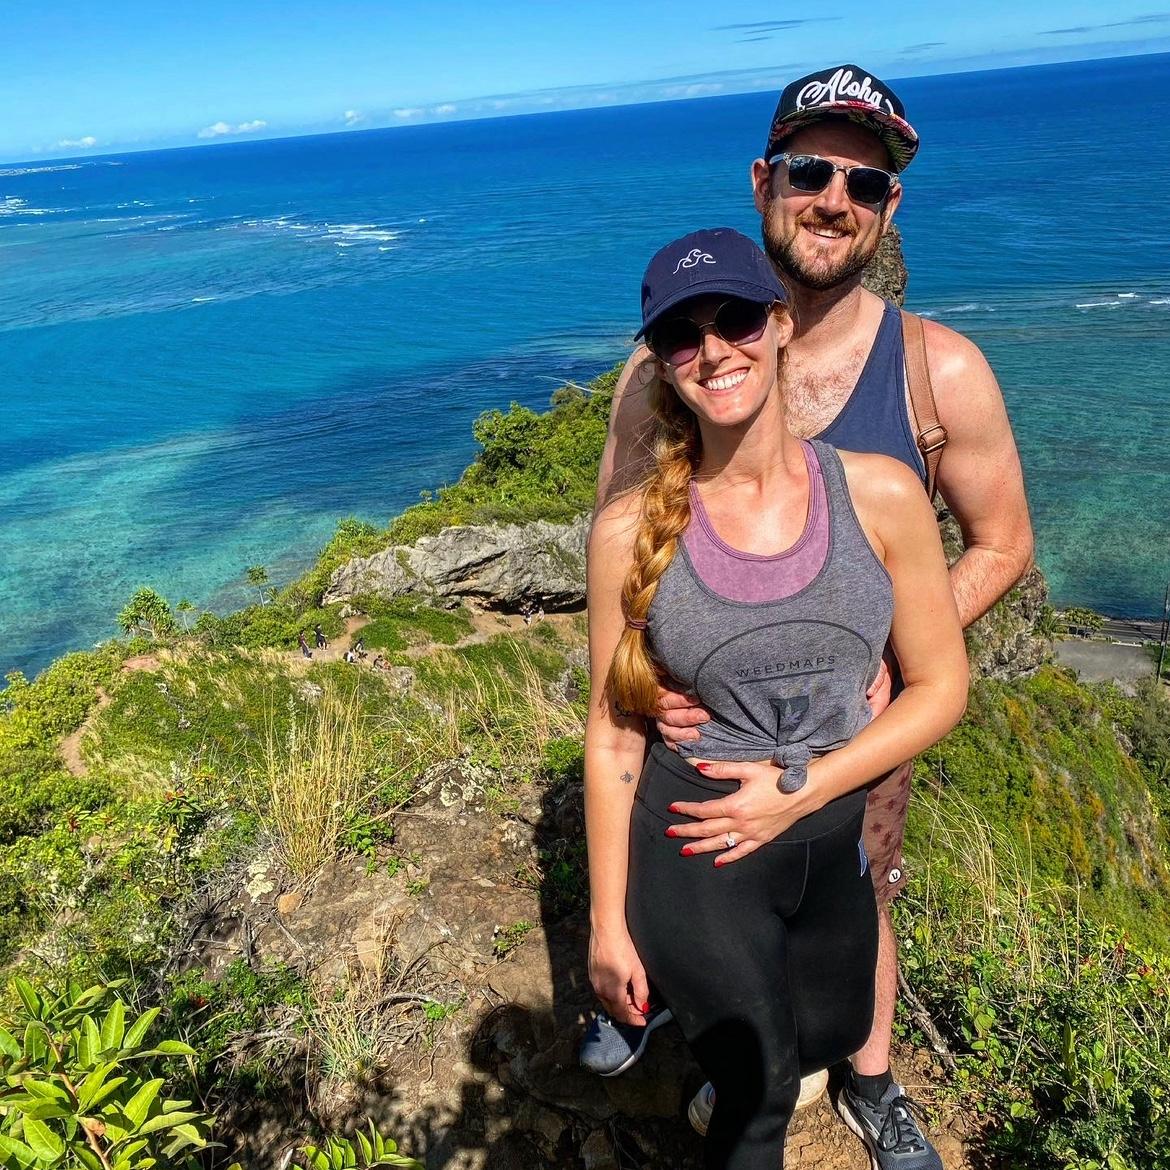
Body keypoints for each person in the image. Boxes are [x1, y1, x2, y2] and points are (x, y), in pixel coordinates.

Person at [594, 64, 1033, 1165]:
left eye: (865, 182)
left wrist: (889, 655)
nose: (835, 197)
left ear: (890, 209)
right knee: (726, 905)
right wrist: (661, 679)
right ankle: (720, 1047)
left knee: (861, 892)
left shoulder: (941, 372)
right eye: (809, 170)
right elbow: (625, 549)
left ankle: (869, 1084)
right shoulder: (665, 375)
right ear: (764, 180)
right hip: (715, 736)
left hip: (865, 722)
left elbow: (1005, 545)